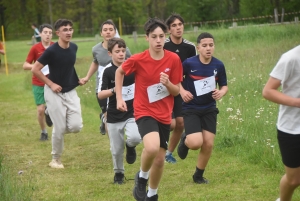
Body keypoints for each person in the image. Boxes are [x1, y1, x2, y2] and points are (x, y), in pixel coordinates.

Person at [115, 17, 182, 201]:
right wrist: (119, 97)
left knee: (160, 160)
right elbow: (119, 72)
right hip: (144, 110)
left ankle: (152, 194)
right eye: (154, 37)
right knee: (151, 148)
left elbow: (176, 91)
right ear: (147, 38)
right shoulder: (138, 59)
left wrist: (168, 84)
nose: (158, 40)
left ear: (166, 37)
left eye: (161, 36)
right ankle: (142, 177)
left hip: (164, 114)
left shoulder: (174, 59)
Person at [31, 19, 83, 169]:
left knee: (76, 126)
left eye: (70, 29)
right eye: (65, 30)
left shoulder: (74, 47)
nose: (68, 32)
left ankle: (49, 113)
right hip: (53, 92)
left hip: (70, 90)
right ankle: (56, 159)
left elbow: (68, 66)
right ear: (58, 33)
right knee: (59, 128)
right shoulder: (51, 51)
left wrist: (76, 79)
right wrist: (51, 84)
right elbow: (35, 69)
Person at [177, 32, 228, 184]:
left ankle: (198, 176)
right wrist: (182, 91)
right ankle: (185, 139)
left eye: (211, 45)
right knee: (195, 143)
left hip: (209, 108)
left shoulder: (218, 65)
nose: (208, 48)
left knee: (208, 143)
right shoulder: (188, 63)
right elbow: (177, 80)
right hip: (191, 107)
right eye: (204, 45)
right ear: (198, 47)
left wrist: (221, 92)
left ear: (214, 47)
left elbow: (224, 86)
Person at [98, 38, 141, 184]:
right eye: (117, 51)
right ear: (110, 53)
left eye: (123, 51)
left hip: (132, 112)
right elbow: (100, 94)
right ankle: (119, 174)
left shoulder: (133, 67)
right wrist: (114, 90)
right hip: (114, 115)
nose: (121, 54)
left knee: (136, 137)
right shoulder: (107, 71)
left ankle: (130, 146)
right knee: (116, 150)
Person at [262, 45, 300, 201]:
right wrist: (298, 102)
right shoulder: (290, 58)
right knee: (294, 179)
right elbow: (268, 91)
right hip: (291, 128)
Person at [81, 20, 131, 135]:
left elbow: (132, 64)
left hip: (122, 87)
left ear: (114, 32)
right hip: (103, 87)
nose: (108, 32)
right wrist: (87, 77)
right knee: (108, 116)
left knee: (121, 112)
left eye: (111, 29)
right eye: (105, 30)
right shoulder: (96, 49)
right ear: (101, 33)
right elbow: (95, 62)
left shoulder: (124, 49)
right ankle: (113, 142)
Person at [164, 13, 197, 164]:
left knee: (180, 123)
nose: (178, 28)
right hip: (164, 89)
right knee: (170, 124)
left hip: (181, 88)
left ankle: (168, 154)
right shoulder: (163, 45)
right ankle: (158, 147)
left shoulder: (190, 47)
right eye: (174, 26)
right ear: (169, 30)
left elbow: (191, 72)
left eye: (180, 25)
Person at [23, 23, 54, 141]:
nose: (48, 35)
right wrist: (36, 68)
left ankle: (50, 114)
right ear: (40, 34)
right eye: (45, 32)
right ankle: (44, 132)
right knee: (40, 110)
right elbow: (25, 65)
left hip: (53, 83)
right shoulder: (35, 48)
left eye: (50, 33)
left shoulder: (55, 47)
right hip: (38, 83)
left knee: (55, 108)